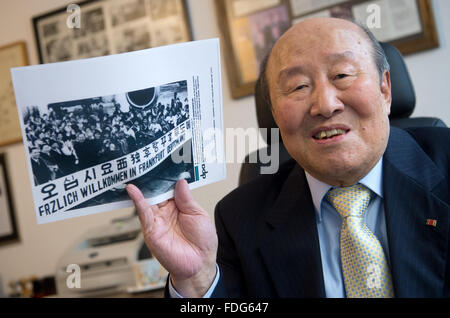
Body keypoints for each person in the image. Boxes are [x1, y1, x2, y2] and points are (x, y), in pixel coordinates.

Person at [126, 17, 450, 298]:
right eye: (298, 87)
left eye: (342, 75)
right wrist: (196, 280)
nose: (324, 104)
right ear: (276, 115)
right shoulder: (241, 218)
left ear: (385, 89)